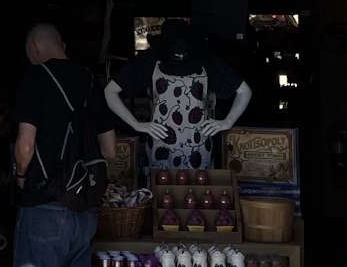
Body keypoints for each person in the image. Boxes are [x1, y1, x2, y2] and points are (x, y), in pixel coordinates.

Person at [0, 23, 116, 267]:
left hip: (45, 204)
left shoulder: (35, 77)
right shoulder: (89, 80)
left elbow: (26, 143)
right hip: (85, 210)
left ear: (33, 48)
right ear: (61, 45)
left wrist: (18, 175)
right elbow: (110, 150)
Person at [103, 19, 251, 171]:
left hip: (199, 148)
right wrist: (136, 124)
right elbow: (110, 91)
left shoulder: (206, 60)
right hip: (161, 147)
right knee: (161, 188)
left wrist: (227, 122)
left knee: (199, 190)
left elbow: (244, 91)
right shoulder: (150, 60)